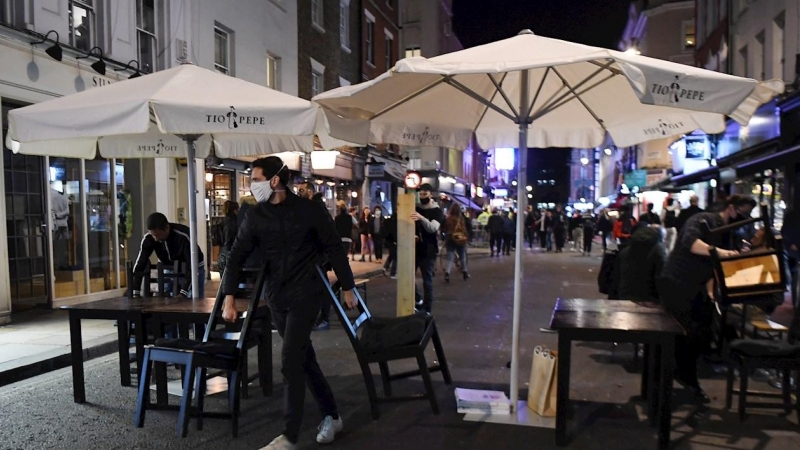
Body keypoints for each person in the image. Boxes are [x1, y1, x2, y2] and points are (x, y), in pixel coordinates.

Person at [220, 156, 357, 449]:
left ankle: (289, 436)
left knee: (291, 359)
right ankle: (332, 415)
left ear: (274, 181)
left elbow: (334, 247)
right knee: (303, 358)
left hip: (307, 294)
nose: (251, 185)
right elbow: (236, 255)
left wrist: (348, 287)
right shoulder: (256, 216)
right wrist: (228, 297)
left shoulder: (309, 211)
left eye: (255, 179)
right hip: (276, 297)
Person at [657, 194, 756, 404]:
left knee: (700, 335)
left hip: (697, 286)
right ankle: (670, 382)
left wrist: (712, 291)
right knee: (681, 334)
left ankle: (684, 377)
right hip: (677, 282)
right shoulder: (704, 219)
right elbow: (691, 243)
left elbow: (713, 268)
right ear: (731, 208)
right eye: (743, 212)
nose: (743, 217)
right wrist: (721, 253)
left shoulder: (729, 233)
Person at [131, 212, 205, 298]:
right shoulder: (149, 238)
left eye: (157, 235)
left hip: (193, 267)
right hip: (169, 266)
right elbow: (140, 264)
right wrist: (135, 292)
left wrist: (183, 292)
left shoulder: (183, 236)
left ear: (166, 228)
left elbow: (192, 266)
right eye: (153, 235)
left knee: (194, 299)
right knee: (168, 298)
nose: (155, 239)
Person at [413, 183, 444, 314]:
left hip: (428, 249)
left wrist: (421, 218)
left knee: (427, 281)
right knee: (407, 277)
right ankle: (418, 300)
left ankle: (427, 308)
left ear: (431, 194)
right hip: (414, 248)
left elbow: (432, 228)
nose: (422, 196)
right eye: (420, 194)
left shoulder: (437, 211)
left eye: (425, 194)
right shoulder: (416, 207)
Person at [614, 225, 666, 303]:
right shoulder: (658, 250)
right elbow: (662, 276)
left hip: (625, 295)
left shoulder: (627, 249)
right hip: (650, 299)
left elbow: (617, 274)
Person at [443, 203, 471, 282]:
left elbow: (445, 228)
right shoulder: (461, 218)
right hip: (460, 239)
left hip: (450, 239)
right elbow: (464, 229)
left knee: (450, 258)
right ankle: (465, 272)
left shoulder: (448, 218)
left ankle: (447, 273)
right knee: (462, 256)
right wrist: (466, 236)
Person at [51, 186, 71, 270]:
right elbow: (67, 211)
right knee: (66, 244)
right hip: (64, 223)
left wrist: (56, 216)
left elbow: (53, 212)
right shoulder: (64, 198)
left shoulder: (53, 199)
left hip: (57, 224)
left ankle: (57, 263)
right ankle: (65, 262)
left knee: (55, 244)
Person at [217, 200, 239, 274]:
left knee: (224, 281)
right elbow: (229, 241)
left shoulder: (223, 222)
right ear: (235, 210)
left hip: (222, 254)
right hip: (229, 256)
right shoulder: (234, 222)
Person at [382, 213, 398, 279]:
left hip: (388, 241)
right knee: (396, 257)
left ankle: (385, 267)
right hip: (394, 241)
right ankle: (393, 273)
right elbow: (395, 232)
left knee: (391, 255)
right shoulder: (395, 222)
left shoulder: (388, 221)